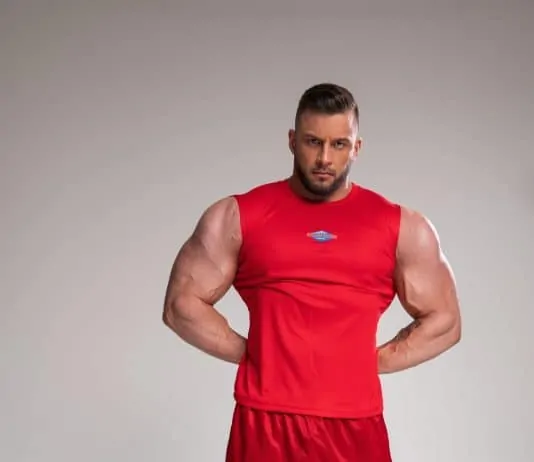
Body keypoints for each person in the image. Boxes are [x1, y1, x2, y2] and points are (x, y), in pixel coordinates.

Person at [162, 83, 462, 461]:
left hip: (354, 421)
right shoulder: (239, 215)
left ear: (357, 148)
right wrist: (256, 354)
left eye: (339, 144)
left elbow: (446, 321)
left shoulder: (400, 226)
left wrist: (367, 362)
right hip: (265, 420)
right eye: (313, 142)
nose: (324, 157)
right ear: (292, 141)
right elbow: (180, 305)